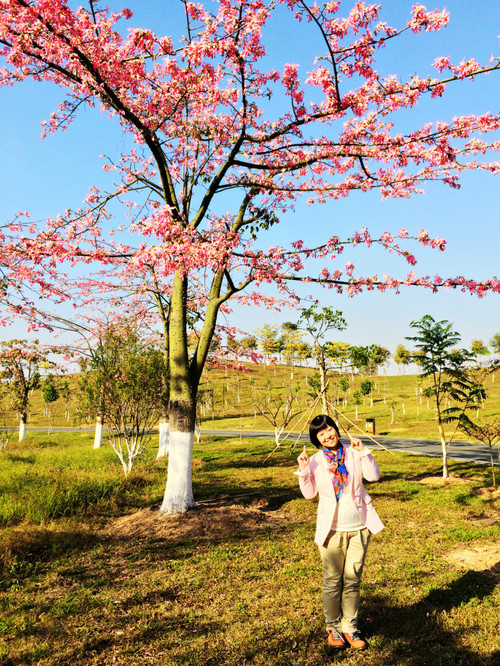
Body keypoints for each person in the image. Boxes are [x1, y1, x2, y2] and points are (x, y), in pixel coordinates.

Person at [296, 414, 383, 651]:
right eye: (321, 433)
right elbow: (309, 494)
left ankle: (350, 626)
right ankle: (332, 626)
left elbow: (374, 476)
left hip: (359, 528)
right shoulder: (314, 461)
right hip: (331, 530)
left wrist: (364, 451)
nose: (327, 435)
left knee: (352, 579)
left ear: (336, 429)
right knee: (333, 580)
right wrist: (303, 470)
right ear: (316, 439)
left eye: (329, 429)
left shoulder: (354, 453)